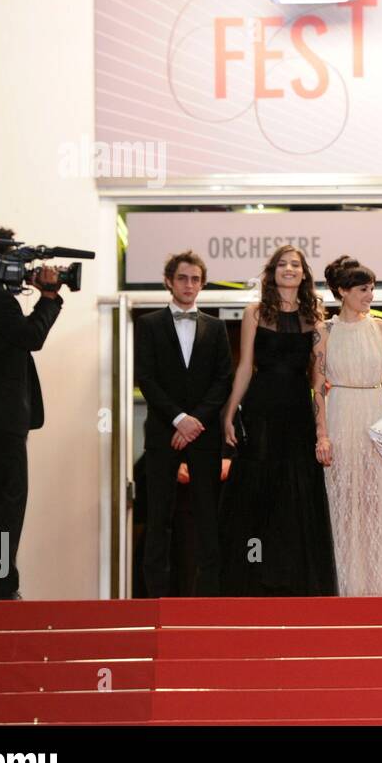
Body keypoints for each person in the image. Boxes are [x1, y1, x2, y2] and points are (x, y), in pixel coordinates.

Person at [219, 245, 335, 596]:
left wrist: (322, 430)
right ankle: (255, 574)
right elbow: (244, 367)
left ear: (304, 273)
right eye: (282, 264)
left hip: (298, 409)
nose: (289, 269)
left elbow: (319, 378)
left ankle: (294, 579)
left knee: (295, 494)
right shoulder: (254, 312)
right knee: (258, 492)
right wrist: (229, 414)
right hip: (261, 408)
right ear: (272, 272)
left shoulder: (316, 316)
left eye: (295, 265)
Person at [0, 224, 65, 599]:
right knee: (5, 507)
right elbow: (30, 337)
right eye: (7, 258)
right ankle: (1, 591)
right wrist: (50, 298)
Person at [134, 251, 233, 597]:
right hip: (163, 434)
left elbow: (224, 380)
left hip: (204, 436)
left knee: (208, 518)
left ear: (202, 284)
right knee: (159, 518)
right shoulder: (147, 325)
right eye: (182, 278)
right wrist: (178, 419)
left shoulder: (217, 327)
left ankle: (208, 600)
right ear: (168, 281)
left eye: (195, 279)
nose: (188, 285)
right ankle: (155, 599)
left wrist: (195, 422)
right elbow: (145, 378)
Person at [319, 256, 382, 597]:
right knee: (341, 501)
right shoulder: (324, 331)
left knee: (377, 503)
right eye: (362, 289)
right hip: (340, 412)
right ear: (342, 291)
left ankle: (381, 587)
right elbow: (317, 388)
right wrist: (322, 434)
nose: (370, 295)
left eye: (372, 288)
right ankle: (344, 587)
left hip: (376, 413)